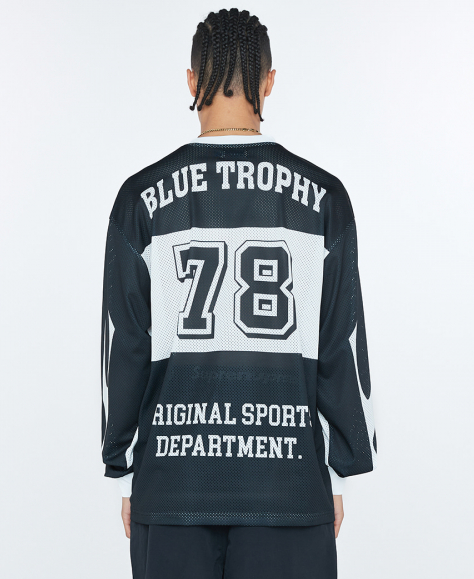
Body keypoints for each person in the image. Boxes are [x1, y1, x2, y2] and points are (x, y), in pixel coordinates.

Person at [100, 8, 377, 579]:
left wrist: (124, 469)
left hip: (172, 486)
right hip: (289, 485)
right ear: (269, 82)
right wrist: (340, 471)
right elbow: (341, 344)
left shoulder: (140, 199)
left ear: (191, 81)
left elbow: (124, 346)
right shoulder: (324, 198)